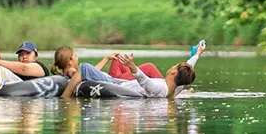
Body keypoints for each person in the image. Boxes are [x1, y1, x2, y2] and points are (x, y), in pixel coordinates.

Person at [61, 42, 206, 98]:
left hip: (119, 86)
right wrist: (198, 54)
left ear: (174, 72)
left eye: (174, 66)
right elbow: (189, 67)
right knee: (98, 72)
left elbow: (144, 81)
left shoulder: (160, 88)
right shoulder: (177, 87)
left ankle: (64, 98)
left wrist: (132, 66)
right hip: (122, 82)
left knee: (85, 67)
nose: (172, 66)